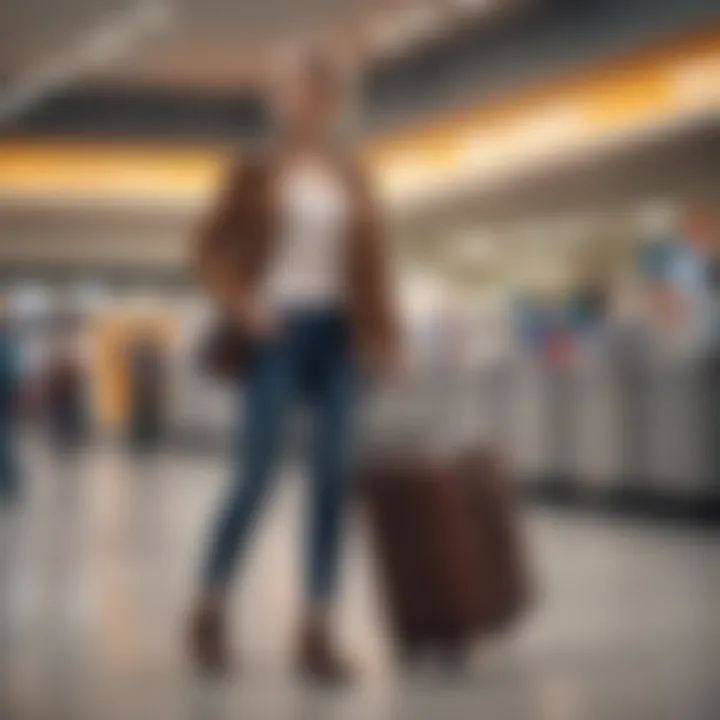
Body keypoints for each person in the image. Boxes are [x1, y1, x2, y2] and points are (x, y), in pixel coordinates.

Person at [189, 48, 401, 683]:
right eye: (290, 91)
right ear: (277, 101)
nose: (301, 101)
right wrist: (243, 302)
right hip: (276, 332)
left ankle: (316, 629)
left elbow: (373, 264)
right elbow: (205, 249)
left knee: (333, 481)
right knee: (255, 476)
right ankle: (210, 607)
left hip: (340, 338)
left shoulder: (354, 173)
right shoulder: (252, 169)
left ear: (333, 103)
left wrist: (387, 334)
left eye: (314, 91)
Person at [0, 301, 20, 503]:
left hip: (3, 394)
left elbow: (9, 373)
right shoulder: (8, 343)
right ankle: (10, 481)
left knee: (3, 439)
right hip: (6, 394)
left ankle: (10, 482)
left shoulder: (5, 343)